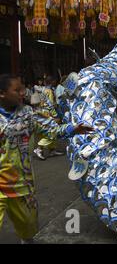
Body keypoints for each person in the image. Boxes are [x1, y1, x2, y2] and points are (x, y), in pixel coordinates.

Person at [0, 74, 92, 244]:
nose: (23, 93)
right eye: (17, 90)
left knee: (28, 228)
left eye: (22, 89)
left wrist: (73, 128)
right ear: (2, 93)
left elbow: (52, 130)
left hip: (22, 185)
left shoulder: (28, 114)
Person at [33, 76, 62, 160]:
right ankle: (39, 148)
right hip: (47, 114)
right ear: (52, 81)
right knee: (52, 132)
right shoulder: (49, 91)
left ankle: (52, 150)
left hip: (40, 113)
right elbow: (51, 105)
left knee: (45, 132)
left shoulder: (41, 90)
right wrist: (55, 115)